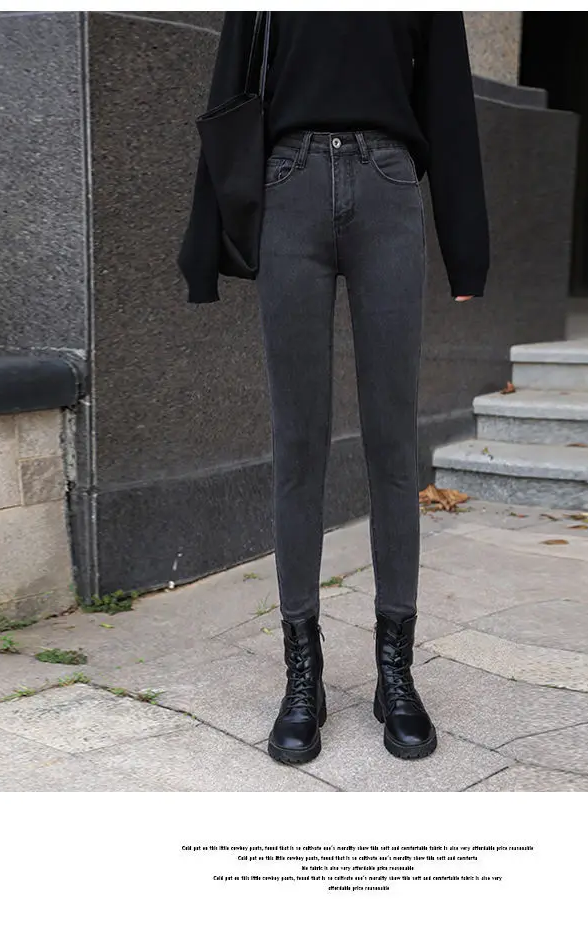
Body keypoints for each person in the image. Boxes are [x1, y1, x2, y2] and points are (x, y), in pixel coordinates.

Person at [178, 12, 489, 765]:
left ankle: (395, 673)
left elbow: (446, 96)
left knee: (393, 443)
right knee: (298, 445)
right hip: (289, 185)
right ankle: (303, 676)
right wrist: (203, 242)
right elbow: (231, 88)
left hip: (389, 185)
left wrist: (466, 245)